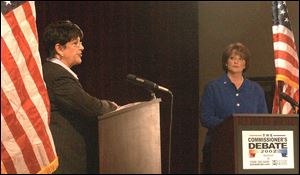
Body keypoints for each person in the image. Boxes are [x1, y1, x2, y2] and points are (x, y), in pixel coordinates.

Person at [42, 20, 118, 174]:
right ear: (59, 49)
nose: (82, 47)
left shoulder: (54, 72)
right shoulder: (57, 76)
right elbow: (90, 106)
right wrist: (114, 107)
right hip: (66, 162)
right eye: (75, 43)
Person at [200, 42, 268, 173]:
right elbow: (205, 118)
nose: (236, 62)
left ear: (245, 64)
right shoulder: (213, 87)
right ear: (226, 63)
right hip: (218, 148)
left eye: (240, 59)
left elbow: (262, 120)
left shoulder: (256, 89)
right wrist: (231, 127)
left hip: (250, 151)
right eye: (232, 58)